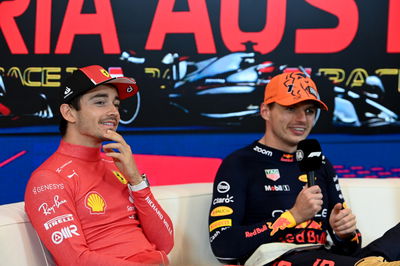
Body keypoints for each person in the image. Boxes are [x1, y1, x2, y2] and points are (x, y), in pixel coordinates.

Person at [208, 71, 400, 266]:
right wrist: (294, 216)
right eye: (291, 108)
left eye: (309, 110)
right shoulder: (239, 163)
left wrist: (344, 234)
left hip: (328, 258)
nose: (302, 119)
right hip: (277, 259)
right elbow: (223, 246)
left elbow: (351, 248)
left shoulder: (320, 162)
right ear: (265, 111)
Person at [24, 65, 174, 265]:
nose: (114, 112)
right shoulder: (48, 179)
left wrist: (136, 180)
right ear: (69, 113)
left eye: (116, 104)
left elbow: (165, 242)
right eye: (100, 102)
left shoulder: (117, 166)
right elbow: (76, 261)